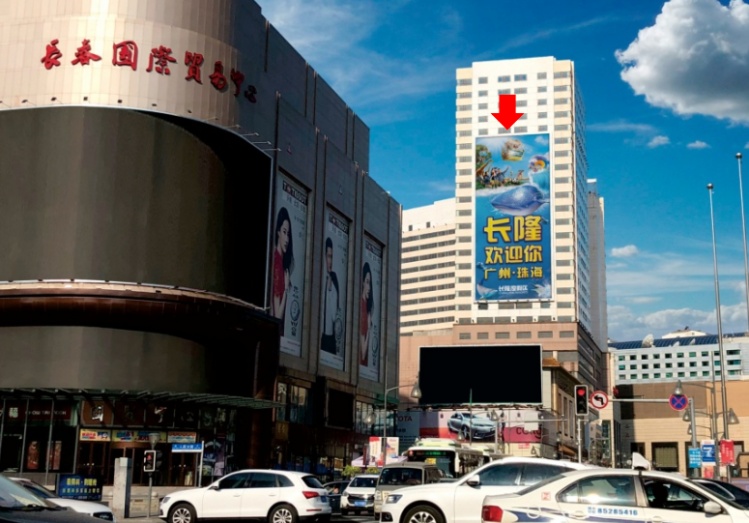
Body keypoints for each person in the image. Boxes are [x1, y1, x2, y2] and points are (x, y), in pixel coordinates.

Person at [271, 207, 294, 334]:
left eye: (288, 234)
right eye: (284, 232)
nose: (287, 239)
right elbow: (277, 317)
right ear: (278, 232)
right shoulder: (277, 264)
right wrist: (285, 290)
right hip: (274, 334)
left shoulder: (280, 262)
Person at [321, 237, 340, 354]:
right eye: (328, 256)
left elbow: (334, 316)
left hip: (330, 338)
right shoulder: (321, 279)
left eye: (331, 257)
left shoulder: (333, 282)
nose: (330, 261)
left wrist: (329, 291)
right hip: (321, 336)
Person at [359, 262, 374, 366]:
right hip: (361, 364)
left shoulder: (367, 307)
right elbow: (363, 354)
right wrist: (368, 329)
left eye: (370, 283)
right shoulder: (361, 307)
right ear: (363, 282)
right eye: (367, 282)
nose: (369, 287)